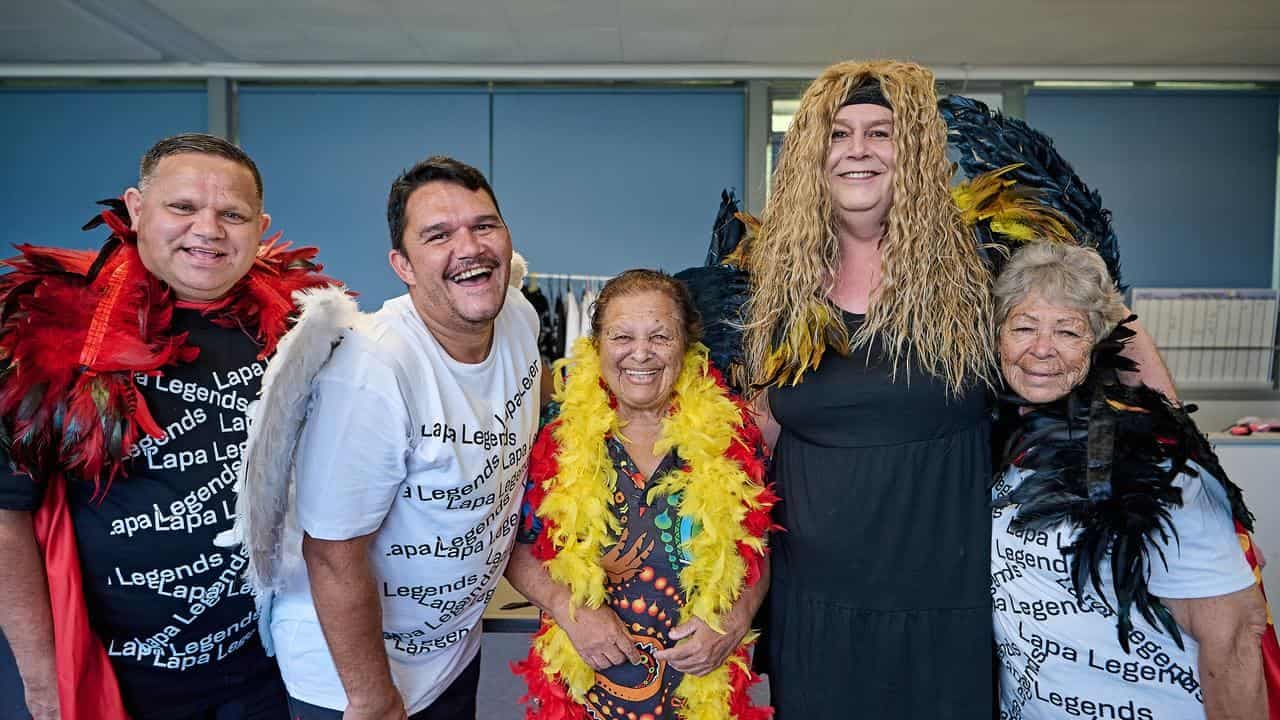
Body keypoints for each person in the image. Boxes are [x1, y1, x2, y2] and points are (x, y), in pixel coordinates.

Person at [0, 133, 335, 720]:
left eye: (232, 214)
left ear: (260, 226)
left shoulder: (297, 330)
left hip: (267, 668)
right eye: (182, 207)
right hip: (124, 680)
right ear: (135, 208)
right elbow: (6, 523)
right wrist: (44, 681)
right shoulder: (46, 334)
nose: (207, 229)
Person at [742, 60, 997, 719]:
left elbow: (1105, 336)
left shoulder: (983, 268)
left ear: (910, 150)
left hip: (944, 606)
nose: (857, 149)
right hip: (814, 608)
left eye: (879, 133)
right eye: (838, 133)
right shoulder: (781, 288)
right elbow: (760, 426)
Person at [247, 156, 542, 720]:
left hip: (452, 649)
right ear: (402, 265)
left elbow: (528, 411)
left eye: (484, 225)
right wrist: (371, 696)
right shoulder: (374, 370)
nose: (470, 247)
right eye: (438, 235)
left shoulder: (519, 319)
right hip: (352, 679)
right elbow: (331, 553)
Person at [990, 241, 1268, 719]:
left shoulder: (1164, 473)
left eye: (1067, 331)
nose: (1042, 348)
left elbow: (1234, 641)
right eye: (1024, 327)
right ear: (997, 337)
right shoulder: (1003, 452)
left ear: (1098, 344)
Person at [507, 269, 775, 720]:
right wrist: (565, 608)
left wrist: (736, 617)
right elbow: (514, 546)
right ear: (596, 347)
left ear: (686, 345)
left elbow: (760, 545)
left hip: (701, 694)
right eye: (621, 336)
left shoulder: (733, 437)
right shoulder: (556, 439)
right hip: (587, 693)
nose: (640, 354)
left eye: (660, 336)